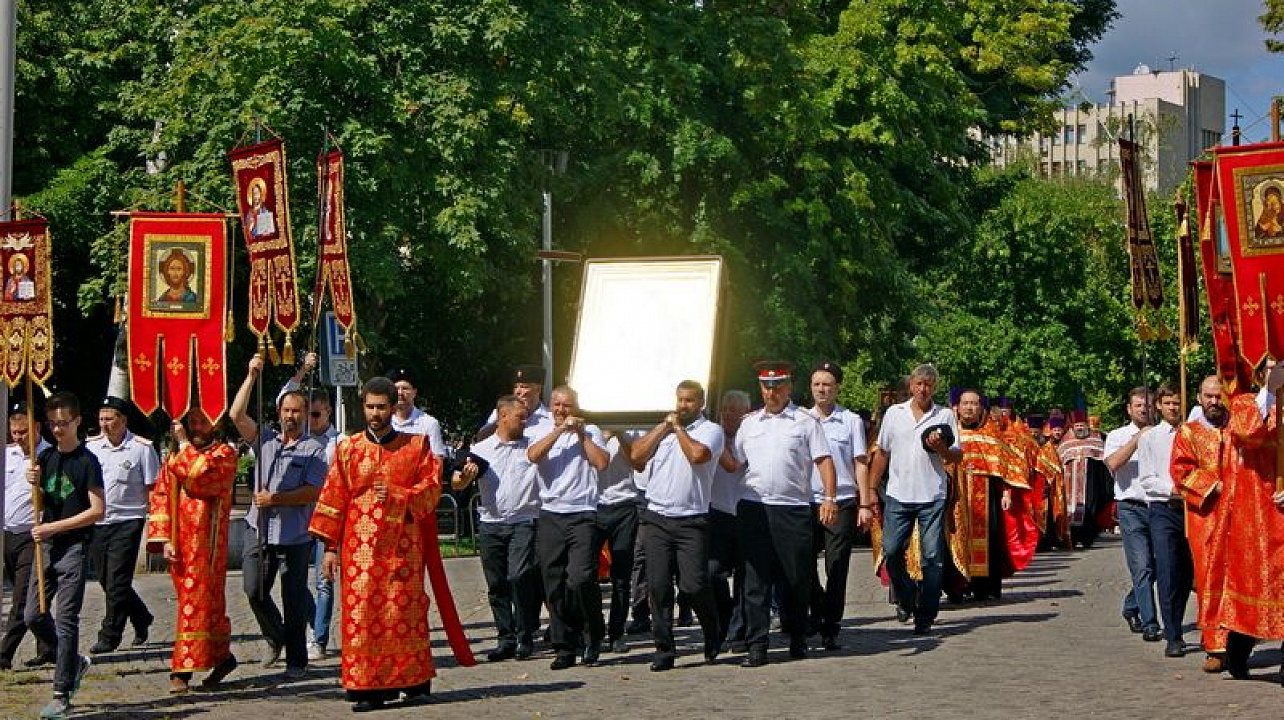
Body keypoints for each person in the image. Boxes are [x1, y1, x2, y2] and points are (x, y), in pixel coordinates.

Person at [309, 376, 475, 711]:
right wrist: (329, 548)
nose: (375, 413)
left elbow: (431, 493)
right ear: (363, 407)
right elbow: (333, 499)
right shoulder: (348, 449)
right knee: (362, 615)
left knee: (402, 613)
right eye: (369, 407)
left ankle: (412, 680)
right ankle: (366, 687)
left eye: (381, 407)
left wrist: (400, 495)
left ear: (392, 407)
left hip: (402, 549)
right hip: (359, 551)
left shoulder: (417, 447)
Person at [729, 361, 842, 666]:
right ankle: (757, 644)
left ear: (789, 388)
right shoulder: (749, 423)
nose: (771, 392)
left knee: (796, 578)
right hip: (754, 507)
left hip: (791, 509)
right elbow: (733, 462)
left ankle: (796, 635)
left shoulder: (805, 422)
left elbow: (824, 462)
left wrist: (829, 498)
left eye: (778, 386)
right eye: (766, 387)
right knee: (755, 580)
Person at [229, 354, 328, 679]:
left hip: (295, 535)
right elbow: (236, 414)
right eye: (286, 411)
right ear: (279, 413)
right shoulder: (265, 440)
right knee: (253, 589)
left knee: (294, 598)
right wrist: (251, 375)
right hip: (258, 530)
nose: (291, 416)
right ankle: (276, 636)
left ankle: (296, 661)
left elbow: (313, 492)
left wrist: (277, 498)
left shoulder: (315, 449)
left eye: (297, 411)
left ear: (304, 415)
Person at [628, 380, 725, 671]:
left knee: (693, 585)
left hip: (691, 519)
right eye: (680, 400)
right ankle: (665, 650)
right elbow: (636, 457)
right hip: (656, 517)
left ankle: (713, 630)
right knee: (657, 586)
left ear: (701, 403)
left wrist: (679, 429)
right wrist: (662, 429)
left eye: (689, 401)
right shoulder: (663, 432)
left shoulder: (711, 431)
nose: (683, 406)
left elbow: (697, 456)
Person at [145, 408, 239, 694]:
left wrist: (184, 443)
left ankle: (181, 670)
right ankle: (222, 656)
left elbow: (201, 478)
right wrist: (165, 539)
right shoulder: (173, 456)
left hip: (208, 543)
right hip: (181, 542)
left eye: (203, 421)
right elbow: (161, 496)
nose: (197, 426)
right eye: (193, 421)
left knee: (195, 600)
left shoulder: (224, 454)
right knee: (205, 603)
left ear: (217, 422)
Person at [24, 392, 104, 720]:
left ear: (77, 422)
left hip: (73, 547)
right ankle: (73, 661)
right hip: (48, 546)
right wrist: (35, 487)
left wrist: (54, 527)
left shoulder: (88, 462)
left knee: (67, 619)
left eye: (64, 423)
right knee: (33, 615)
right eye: (54, 424)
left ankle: (61, 692)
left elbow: (97, 511)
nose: (58, 429)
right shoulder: (46, 460)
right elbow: (41, 506)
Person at [867, 363, 959, 636]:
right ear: (911, 385)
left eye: (928, 384)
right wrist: (871, 489)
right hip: (898, 493)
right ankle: (907, 596)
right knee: (892, 551)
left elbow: (956, 456)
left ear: (935, 387)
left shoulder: (944, 415)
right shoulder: (894, 414)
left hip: (932, 494)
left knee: (932, 556)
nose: (923, 389)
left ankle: (926, 614)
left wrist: (940, 446)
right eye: (919, 383)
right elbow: (882, 452)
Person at [527, 385, 609, 670]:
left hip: (582, 514)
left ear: (576, 408)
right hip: (551, 513)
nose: (562, 411)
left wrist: (581, 434)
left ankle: (593, 633)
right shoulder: (540, 430)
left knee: (581, 577)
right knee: (554, 582)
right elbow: (533, 455)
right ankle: (564, 645)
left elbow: (601, 462)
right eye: (557, 406)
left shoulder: (591, 431)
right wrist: (559, 431)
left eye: (567, 406)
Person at [454, 395, 542, 662]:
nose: (524, 420)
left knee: (519, 577)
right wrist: (466, 477)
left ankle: (525, 635)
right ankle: (506, 638)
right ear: (503, 416)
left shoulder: (532, 447)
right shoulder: (482, 449)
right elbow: (457, 482)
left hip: (523, 522)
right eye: (520, 416)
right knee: (497, 584)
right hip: (491, 524)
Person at [1212, 361, 1284, 681]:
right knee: (1254, 582)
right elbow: (1246, 434)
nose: (1277, 370)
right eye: (1270, 366)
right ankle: (1238, 653)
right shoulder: (1244, 402)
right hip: (1256, 513)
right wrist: (1270, 392)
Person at [276, 352, 341, 662]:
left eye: (315, 415)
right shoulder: (292, 439)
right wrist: (303, 370)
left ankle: (320, 639)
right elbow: (283, 397)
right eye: (306, 415)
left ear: (327, 411)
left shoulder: (338, 443)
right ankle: (312, 624)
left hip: (326, 516)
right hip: (300, 518)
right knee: (296, 580)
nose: (308, 420)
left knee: (324, 580)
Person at [84, 397, 158, 655]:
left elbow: (153, 488)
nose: (105, 424)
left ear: (123, 420)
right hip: (98, 521)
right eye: (102, 419)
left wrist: (157, 524)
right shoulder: (91, 448)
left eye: (110, 419)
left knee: (117, 580)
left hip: (128, 520)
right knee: (107, 580)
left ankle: (110, 635)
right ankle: (141, 616)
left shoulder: (141, 449)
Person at [805, 361, 871, 650]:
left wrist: (865, 503)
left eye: (827, 384)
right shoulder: (800, 419)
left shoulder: (851, 421)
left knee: (837, 564)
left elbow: (860, 463)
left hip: (842, 501)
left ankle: (831, 624)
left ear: (837, 388)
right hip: (807, 499)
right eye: (817, 384)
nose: (822, 389)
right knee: (801, 563)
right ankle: (818, 607)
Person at [947, 390, 1036, 601]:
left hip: (986, 495)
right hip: (955, 495)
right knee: (954, 538)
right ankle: (957, 587)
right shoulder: (950, 434)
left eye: (974, 404)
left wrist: (1006, 492)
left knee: (989, 540)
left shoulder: (992, 433)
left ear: (981, 408)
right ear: (957, 407)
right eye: (965, 403)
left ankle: (985, 588)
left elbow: (1006, 466)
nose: (969, 408)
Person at [1168, 375, 1232, 672]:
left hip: (1240, 516)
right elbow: (1180, 471)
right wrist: (1213, 486)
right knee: (1209, 580)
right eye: (1209, 396)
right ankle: (1215, 645)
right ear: (1199, 398)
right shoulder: (1189, 433)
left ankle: (1240, 642)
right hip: (1206, 517)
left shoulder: (1238, 429)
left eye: (1219, 396)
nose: (1214, 402)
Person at [1135, 384, 1193, 658]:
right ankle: (1173, 633)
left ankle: (1178, 617)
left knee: (1187, 572)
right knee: (1168, 570)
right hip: (1163, 508)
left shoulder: (1192, 433)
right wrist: (1173, 489)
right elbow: (1147, 479)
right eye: (1168, 403)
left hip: (1191, 510)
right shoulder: (1150, 438)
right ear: (1158, 405)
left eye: (1177, 403)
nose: (1173, 408)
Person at [0, 402, 54, 670]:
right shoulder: (7, 455)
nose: (19, 438)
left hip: (34, 535)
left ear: (36, 428)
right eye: (15, 432)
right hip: (8, 533)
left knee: (22, 597)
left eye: (23, 432)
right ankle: (50, 647)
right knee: (33, 595)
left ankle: (4, 654)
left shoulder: (49, 455)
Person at [1103, 387, 1160, 642]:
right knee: (1142, 566)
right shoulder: (1117, 435)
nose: (1143, 410)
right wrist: (1138, 440)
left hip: (1159, 506)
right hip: (1131, 507)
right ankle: (1151, 623)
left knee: (1160, 565)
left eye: (1147, 406)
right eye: (1138, 406)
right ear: (1129, 408)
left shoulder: (1164, 433)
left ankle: (1131, 605)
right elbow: (1113, 463)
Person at [710, 390, 749, 652]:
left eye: (735, 410)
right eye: (725, 409)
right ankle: (723, 620)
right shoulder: (712, 436)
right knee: (713, 573)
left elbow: (736, 465)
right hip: (718, 511)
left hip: (747, 512)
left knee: (747, 578)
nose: (729, 414)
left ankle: (739, 631)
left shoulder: (752, 436)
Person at [596, 428, 640, 654]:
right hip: (593, 504)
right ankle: (592, 631)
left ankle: (616, 633)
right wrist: (602, 437)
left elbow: (638, 461)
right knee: (585, 574)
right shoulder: (588, 428)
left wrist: (621, 434)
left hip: (624, 504)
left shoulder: (631, 429)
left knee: (621, 577)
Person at [1057, 409, 1109, 548]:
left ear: (1087, 425)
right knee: (1070, 509)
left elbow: (1103, 462)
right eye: (1077, 425)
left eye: (1082, 425)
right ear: (1073, 426)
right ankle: (1072, 537)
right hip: (1069, 484)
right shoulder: (1066, 441)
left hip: (1090, 483)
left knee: (1089, 508)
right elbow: (1058, 461)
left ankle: (1087, 537)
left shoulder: (1095, 439)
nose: (1079, 428)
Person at [387, 367, 446, 460]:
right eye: (396, 388)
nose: (400, 393)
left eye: (405, 388)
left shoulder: (429, 424)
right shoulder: (384, 421)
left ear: (414, 393)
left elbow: (437, 461)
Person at [477, 364, 551, 438]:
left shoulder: (550, 417)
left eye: (523, 387)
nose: (517, 392)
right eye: (515, 387)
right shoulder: (500, 413)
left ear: (538, 389)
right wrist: (499, 420)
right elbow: (480, 438)